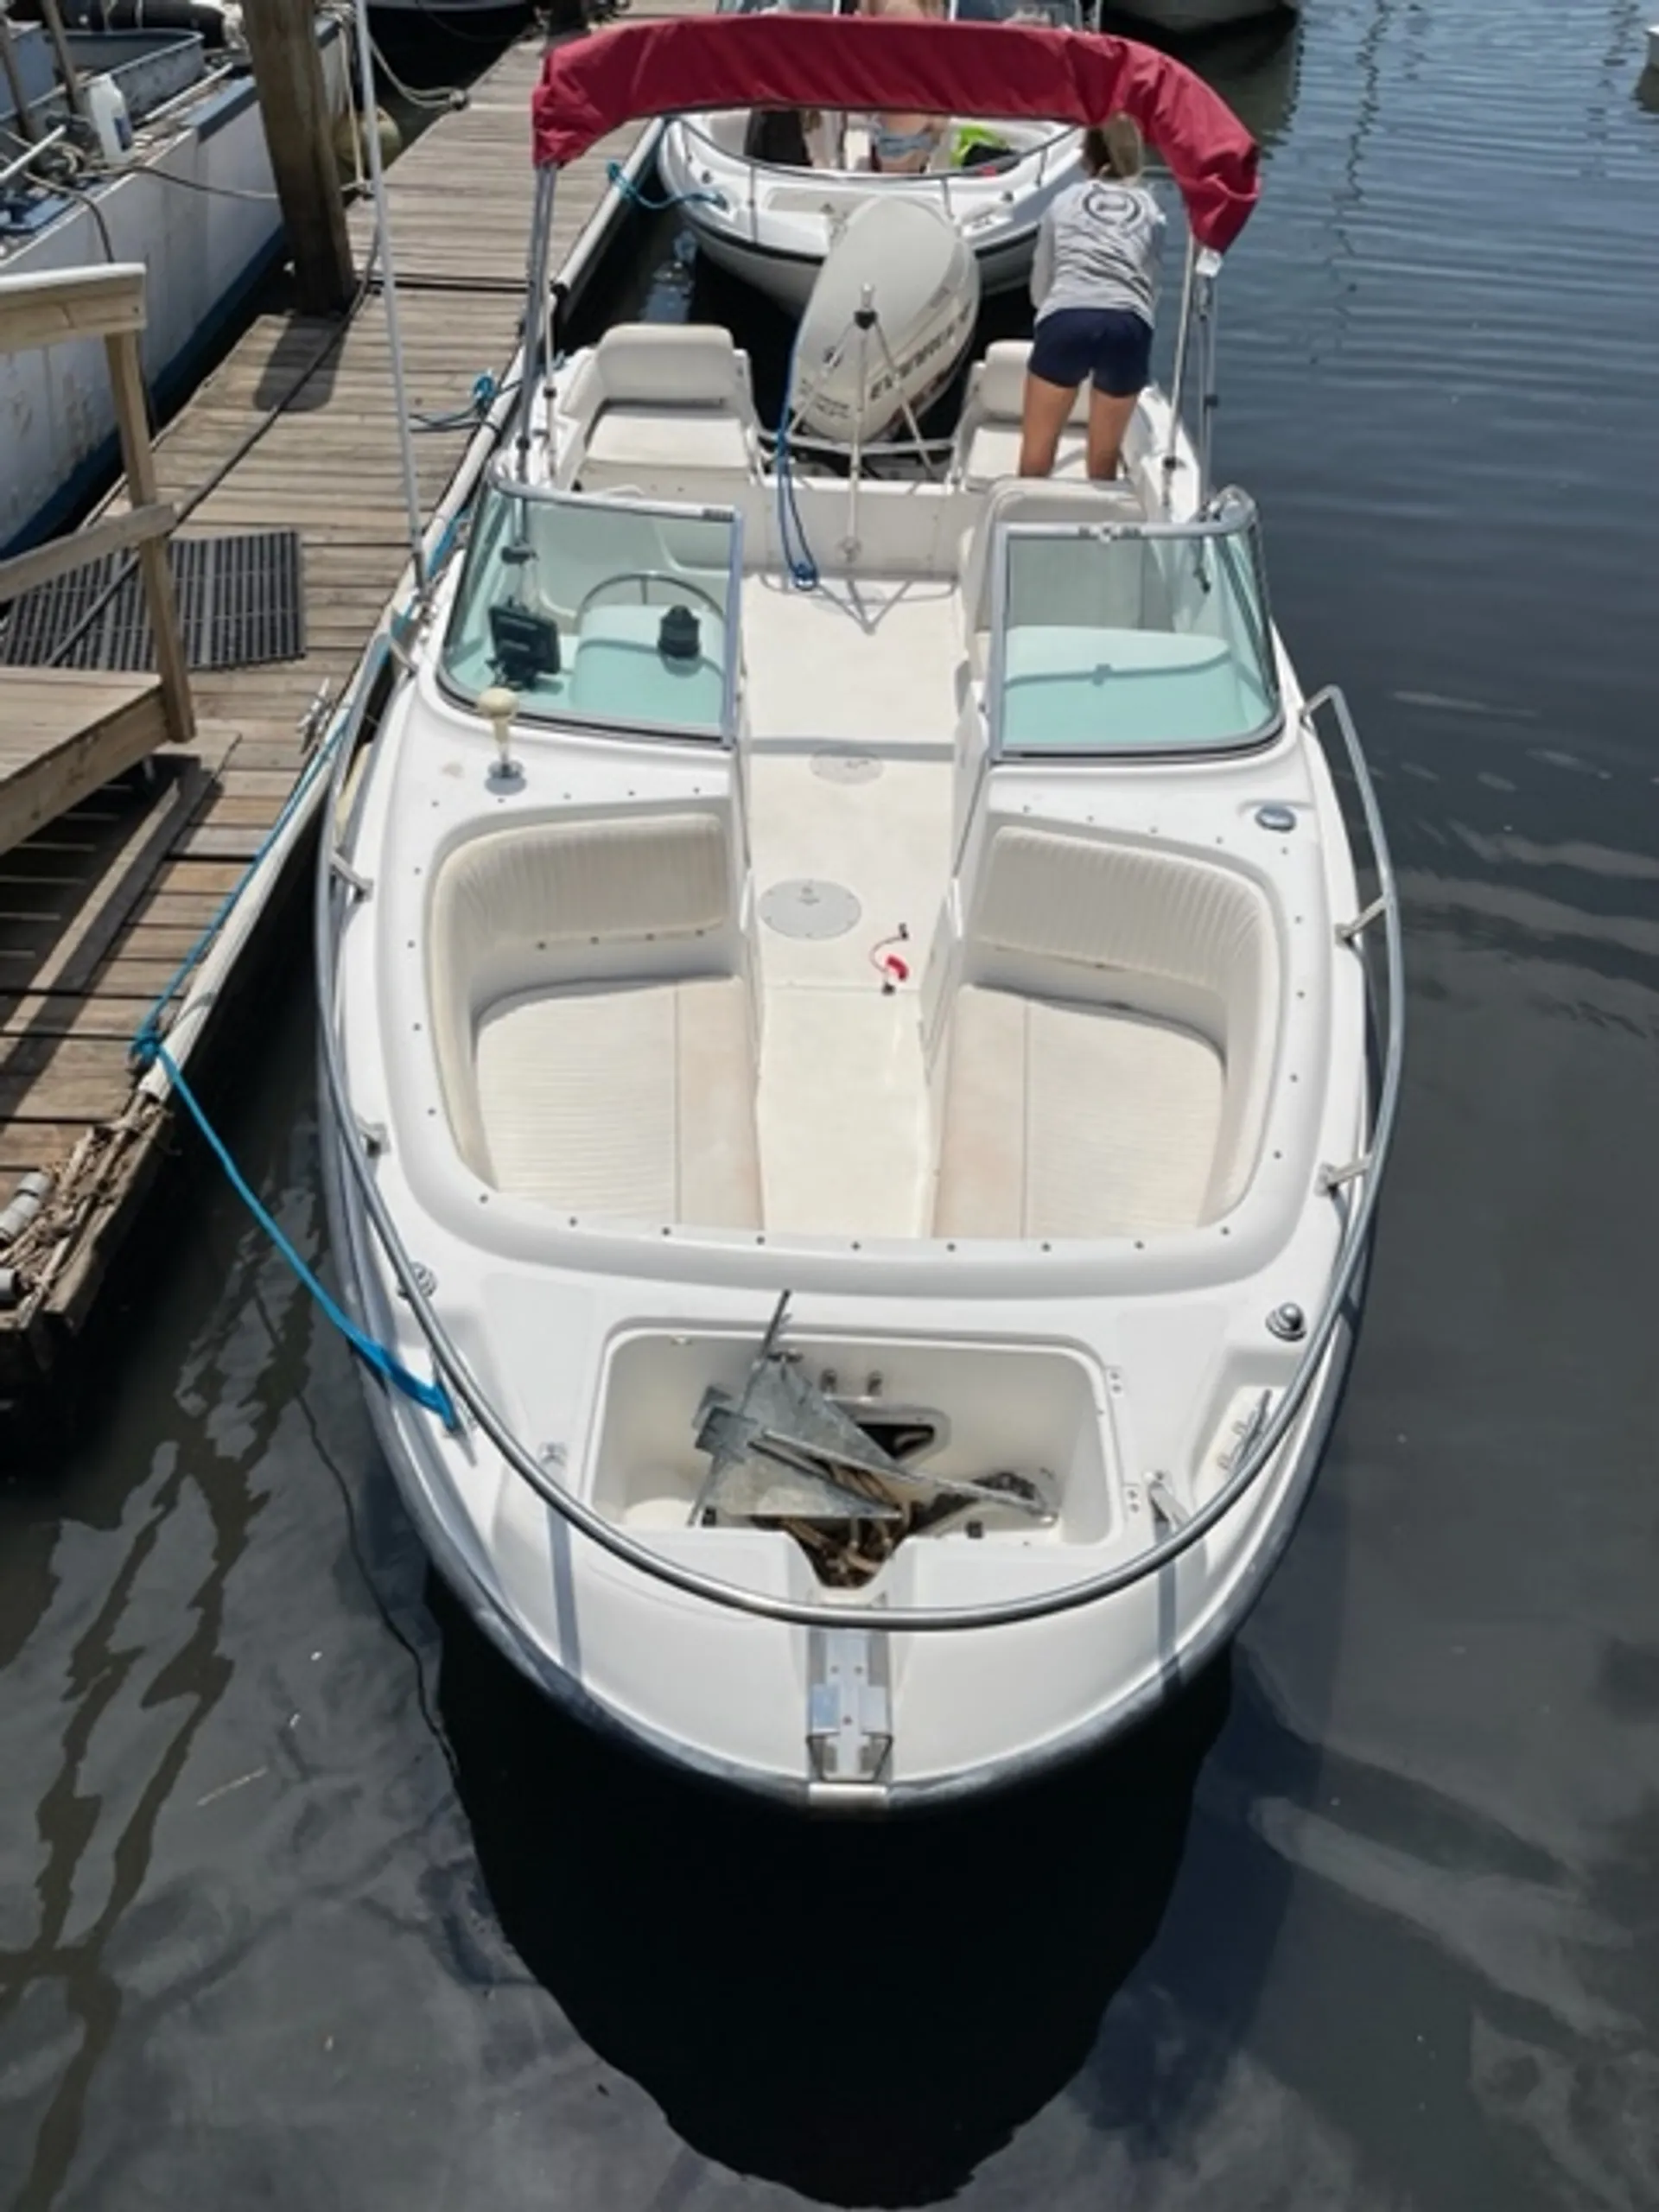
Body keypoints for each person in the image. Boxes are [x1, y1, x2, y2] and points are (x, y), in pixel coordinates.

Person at [1019, 115, 1165, 481]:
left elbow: (1041, 284)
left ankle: (1023, 526)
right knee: (1104, 461)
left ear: (1087, 156)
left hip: (1067, 318)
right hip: (1128, 325)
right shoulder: (1151, 211)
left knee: (1036, 457)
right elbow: (1151, 284)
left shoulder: (1063, 201)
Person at [860, 0, 946, 173]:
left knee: (897, 187)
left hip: (904, 113)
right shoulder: (924, 8)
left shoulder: (900, 9)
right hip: (917, 111)